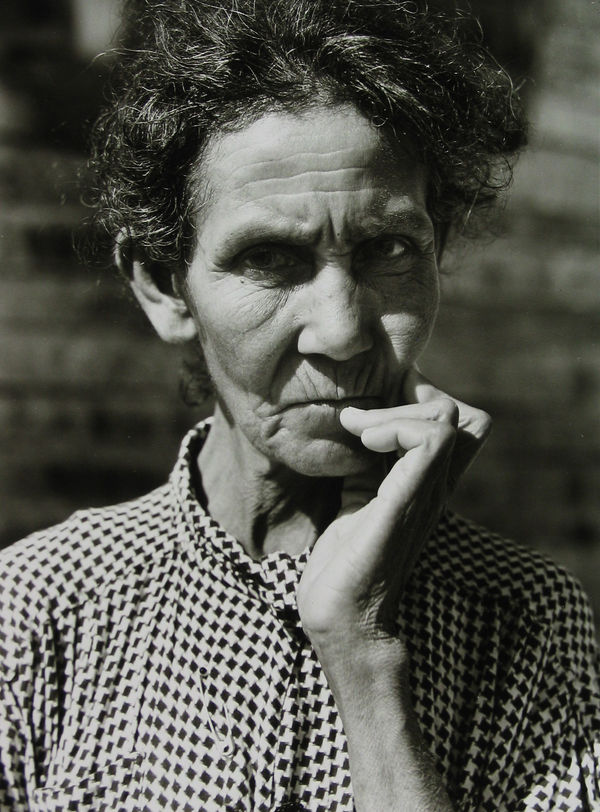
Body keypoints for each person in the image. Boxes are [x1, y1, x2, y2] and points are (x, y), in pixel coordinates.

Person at [1, 1, 598, 809]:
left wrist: (361, 648)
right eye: (270, 258)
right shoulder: (39, 612)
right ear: (162, 285)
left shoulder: (524, 624)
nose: (345, 332)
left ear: (439, 249)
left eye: (388, 249)